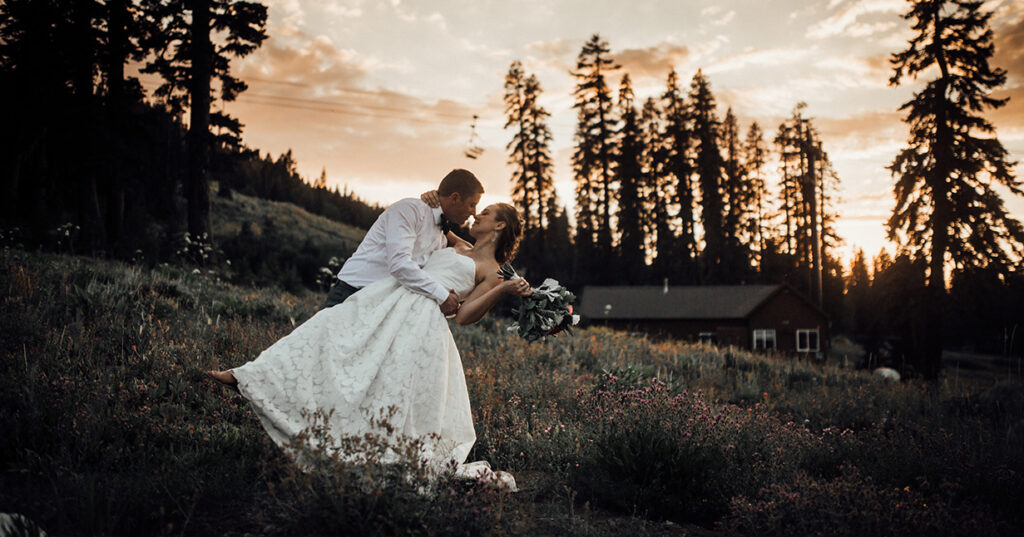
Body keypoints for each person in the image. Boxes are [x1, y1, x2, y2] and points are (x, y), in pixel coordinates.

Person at [206, 200, 531, 489]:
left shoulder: (493, 272)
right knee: (326, 330)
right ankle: (250, 376)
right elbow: (437, 219)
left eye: (485, 213)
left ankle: (364, 448)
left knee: (385, 383)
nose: (476, 214)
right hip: (387, 298)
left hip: (421, 323)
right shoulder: (457, 244)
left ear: (500, 225)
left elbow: (464, 315)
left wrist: (503, 291)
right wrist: (434, 198)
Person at [322, 168, 483, 314]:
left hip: (383, 305)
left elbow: (468, 250)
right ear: (455, 198)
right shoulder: (410, 210)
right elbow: (399, 263)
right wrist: (442, 295)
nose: (474, 213)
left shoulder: (441, 236)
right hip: (352, 292)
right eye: (472, 204)